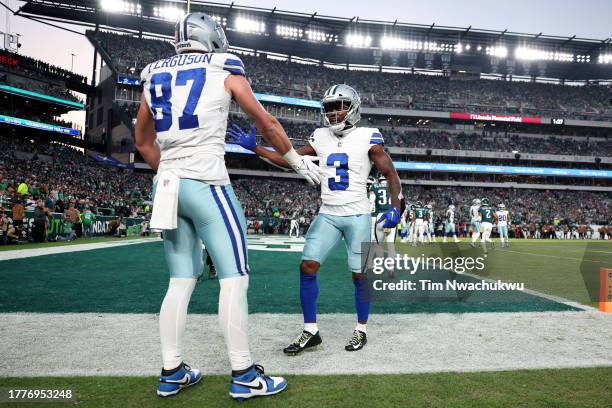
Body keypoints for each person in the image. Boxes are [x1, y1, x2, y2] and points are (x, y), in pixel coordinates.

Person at [136, 12, 321, 400]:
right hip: (206, 181)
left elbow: (141, 141)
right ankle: (244, 374)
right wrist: (297, 162)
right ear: (211, 37)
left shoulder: (153, 72)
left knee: (180, 281)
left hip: (166, 184)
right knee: (234, 278)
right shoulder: (223, 65)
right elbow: (267, 121)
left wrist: (173, 172)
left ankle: (171, 371)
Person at [229, 84, 402, 354]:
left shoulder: (369, 136)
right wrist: (257, 150)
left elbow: (391, 173)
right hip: (328, 214)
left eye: (339, 106)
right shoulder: (320, 136)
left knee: (360, 275)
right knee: (307, 267)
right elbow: (291, 159)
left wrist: (396, 207)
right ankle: (311, 331)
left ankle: (361, 329)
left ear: (354, 107)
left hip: (358, 214)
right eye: (330, 108)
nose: (334, 113)